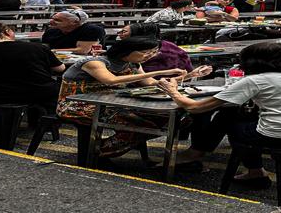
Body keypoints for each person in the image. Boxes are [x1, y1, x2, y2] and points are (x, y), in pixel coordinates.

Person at [157, 43, 281, 185]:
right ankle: (241, 166)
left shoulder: (256, 80)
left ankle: (252, 170)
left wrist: (172, 90)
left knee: (230, 117)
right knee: (238, 113)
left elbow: (195, 108)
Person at [57, 36, 187, 159]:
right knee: (142, 125)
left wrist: (188, 75)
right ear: (127, 50)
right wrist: (161, 72)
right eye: (146, 52)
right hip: (77, 105)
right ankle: (95, 153)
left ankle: (98, 150)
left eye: (153, 53)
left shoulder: (133, 64)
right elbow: (111, 80)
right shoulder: (94, 62)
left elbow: (152, 83)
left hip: (114, 103)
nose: (149, 56)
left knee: (164, 119)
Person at [0, 22, 65, 113]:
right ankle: (46, 122)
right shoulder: (35, 47)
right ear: (7, 32)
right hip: (37, 92)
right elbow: (60, 68)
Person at [117, 22, 212, 76]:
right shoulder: (169, 45)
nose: (150, 55)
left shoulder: (138, 52)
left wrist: (190, 75)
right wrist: (190, 75)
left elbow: (147, 81)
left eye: (123, 31)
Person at [42, 10, 106, 54]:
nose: (51, 22)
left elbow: (83, 50)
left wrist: (53, 51)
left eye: (57, 20)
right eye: (52, 19)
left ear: (75, 22)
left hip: (86, 63)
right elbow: (44, 47)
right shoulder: (51, 31)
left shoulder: (92, 30)